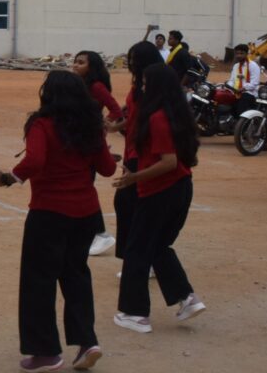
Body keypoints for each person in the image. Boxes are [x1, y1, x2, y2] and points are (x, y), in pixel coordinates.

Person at [0, 71, 115, 373]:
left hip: (50, 211)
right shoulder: (91, 125)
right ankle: (87, 342)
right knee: (76, 276)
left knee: (39, 281)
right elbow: (105, 168)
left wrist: (8, 178)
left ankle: (46, 351)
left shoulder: (41, 123)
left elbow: (36, 160)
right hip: (86, 212)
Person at [113, 64, 206, 334]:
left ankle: (134, 313)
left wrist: (134, 178)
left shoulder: (158, 117)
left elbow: (168, 162)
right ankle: (186, 298)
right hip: (178, 189)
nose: (141, 87)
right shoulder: (175, 113)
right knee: (157, 247)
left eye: (144, 83)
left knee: (137, 250)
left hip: (161, 192)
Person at [111, 41, 166, 273]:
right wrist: (114, 126)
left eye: (134, 59)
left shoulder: (156, 87)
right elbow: (132, 116)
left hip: (144, 154)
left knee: (130, 204)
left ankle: (139, 259)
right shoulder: (137, 87)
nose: (130, 63)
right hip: (131, 150)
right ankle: (134, 257)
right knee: (126, 205)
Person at [72, 50, 122, 257]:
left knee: (84, 186)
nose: (75, 65)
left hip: (90, 142)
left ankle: (101, 233)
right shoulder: (78, 85)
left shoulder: (96, 87)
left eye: (81, 62)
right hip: (79, 140)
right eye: (75, 61)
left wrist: (103, 126)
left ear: (91, 67)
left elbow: (116, 110)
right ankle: (90, 231)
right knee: (81, 185)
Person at [226, 44, 262, 116]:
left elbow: (254, 83)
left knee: (241, 107)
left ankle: (240, 124)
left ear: (246, 54)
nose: (239, 55)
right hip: (236, 93)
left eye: (241, 53)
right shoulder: (236, 66)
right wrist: (228, 86)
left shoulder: (253, 65)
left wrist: (243, 89)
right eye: (237, 53)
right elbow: (232, 80)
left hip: (250, 93)